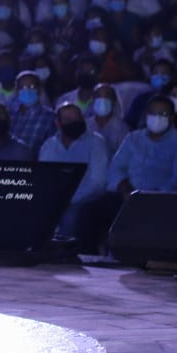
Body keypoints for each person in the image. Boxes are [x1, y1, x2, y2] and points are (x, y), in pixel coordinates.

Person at [38, 102, 109, 250]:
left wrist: (68, 200)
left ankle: (68, 255)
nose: (74, 122)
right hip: (55, 199)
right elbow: (44, 177)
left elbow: (98, 182)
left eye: (77, 118)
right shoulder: (49, 145)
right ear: (58, 124)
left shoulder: (96, 143)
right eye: (68, 120)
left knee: (71, 215)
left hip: (85, 200)